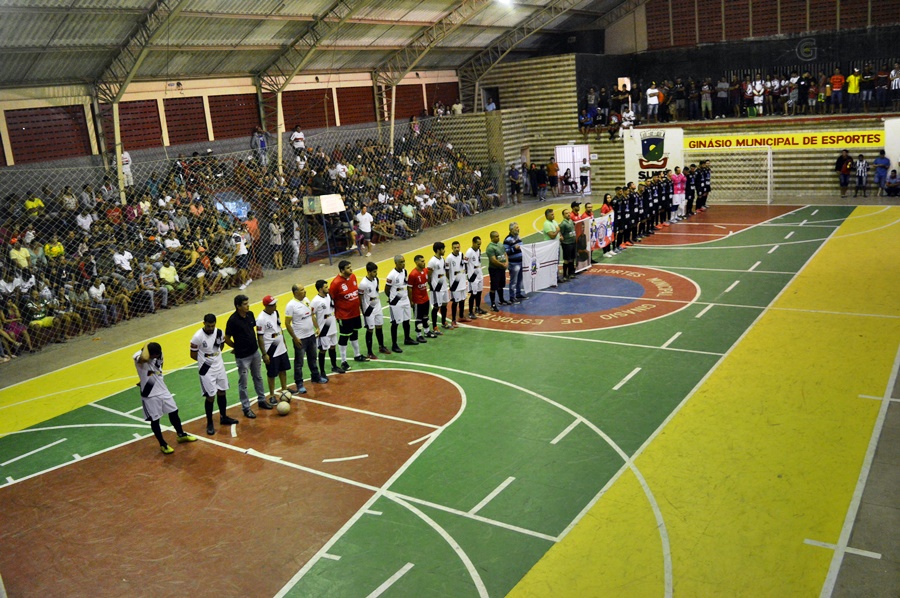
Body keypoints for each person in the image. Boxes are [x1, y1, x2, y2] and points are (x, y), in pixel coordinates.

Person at [133, 342, 197, 454]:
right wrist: (147, 345)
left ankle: (181, 435)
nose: (156, 357)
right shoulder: (138, 355)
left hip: (162, 389)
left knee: (174, 412)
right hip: (149, 393)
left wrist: (151, 376)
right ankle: (163, 444)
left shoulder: (158, 354)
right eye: (154, 356)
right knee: (155, 420)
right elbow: (143, 358)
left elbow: (159, 367)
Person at [191, 314, 239, 435]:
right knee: (210, 396)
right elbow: (193, 355)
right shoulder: (197, 337)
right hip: (206, 370)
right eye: (208, 326)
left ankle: (223, 417)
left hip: (220, 367)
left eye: (213, 325)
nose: (211, 328)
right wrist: (205, 361)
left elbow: (220, 346)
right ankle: (210, 422)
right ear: (204, 323)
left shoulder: (219, 333)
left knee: (222, 391)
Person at [223, 294, 266, 417]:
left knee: (258, 377)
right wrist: (235, 347)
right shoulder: (232, 321)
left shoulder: (250, 315)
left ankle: (261, 400)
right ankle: (246, 407)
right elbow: (226, 338)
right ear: (238, 306)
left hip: (254, 352)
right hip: (243, 357)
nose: (248, 306)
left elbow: (251, 331)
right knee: (244, 383)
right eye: (245, 304)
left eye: (248, 303)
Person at [285, 284, 327, 393]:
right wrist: (295, 337)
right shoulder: (291, 306)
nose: (305, 291)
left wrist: (317, 327)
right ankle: (299, 383)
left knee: (313, 358)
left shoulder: (306, 300)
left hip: (311, 335)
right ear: (295, 293)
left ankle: (315, 376)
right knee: (299, 363)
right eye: (302, 290)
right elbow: (287, 323)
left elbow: (311, 315)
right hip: (301, 338)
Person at [329, 260, 368, 371]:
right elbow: (331, 298)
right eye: (348, 268)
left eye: (351, 267)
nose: (351, 269)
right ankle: (343, 361)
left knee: (354, 333)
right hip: (344, 315)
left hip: (355, 313)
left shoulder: (353, 277)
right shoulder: (336, 283)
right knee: (344, 337)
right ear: (341, 270)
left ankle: (357, 354)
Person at [256, 294, 295, 401]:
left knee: (283, 370)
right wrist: (264, 354)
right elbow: (259, 337)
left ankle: (284, 389)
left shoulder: (275, 313)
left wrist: (284, 342)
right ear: (267, 306)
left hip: (281, 346)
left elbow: (279, 328)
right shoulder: (260, 319)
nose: (275, 306)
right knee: (272, 373)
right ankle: (272, 395)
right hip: (271, 349)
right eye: (273, 305)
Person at [311, 279, 344, 374]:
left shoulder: (329, 296)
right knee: (323, 350)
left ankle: (334, 366)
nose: (328, 288)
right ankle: (322, 371)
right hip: (324, 329)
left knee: (333, 346)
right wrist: (317, 327)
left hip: (332, 326)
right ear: (320, 289)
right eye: (325, 287)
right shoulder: (315, 301)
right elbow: (311, 315)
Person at [358, 261, 391, 358]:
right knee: (370, 330)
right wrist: (363, 311)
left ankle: (381, 347)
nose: (375, 274)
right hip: (369, 310)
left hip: (377, 307)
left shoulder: (376, 279)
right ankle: (369, 352)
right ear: (368, 272)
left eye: (376, 271)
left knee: (379, 327)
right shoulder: (363, 284)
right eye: (373, 272)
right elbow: (360, 297)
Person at [384, 255, 414, 351]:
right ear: (396, 263)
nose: (403, 264)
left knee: (407, 320)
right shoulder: (392, 275)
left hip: (405, 299)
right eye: (401, 262)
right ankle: (394, 344)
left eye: (404, 262)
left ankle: (407, 338)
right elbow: (386, 290)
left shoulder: (405, 271)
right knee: (395, 323)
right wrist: (392, 298)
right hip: (396, 301)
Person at [407, 254, 433, 342]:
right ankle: (419, 335)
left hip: (425, 298)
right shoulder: (413, 274)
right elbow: (409, 288)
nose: (424, 263)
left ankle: (427, 331)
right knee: (418, 318)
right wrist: (411, 300)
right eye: (422, 261)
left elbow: (428, 278)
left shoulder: (425, 271)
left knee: (426, 316)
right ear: (416, 262)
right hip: (417, 300)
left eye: (424, 261)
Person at [445, 241, 469, 327]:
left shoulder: (462, 255)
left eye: (458, 247)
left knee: (462, 300)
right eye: (454, 248)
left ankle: (461, 316)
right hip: (455, 284)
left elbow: (464, 265)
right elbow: (447, 271)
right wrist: (451, 280)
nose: (456, 249)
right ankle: (453, 320)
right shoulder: (449, 258)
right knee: (455, 302)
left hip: (462, 282)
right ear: (452, 248)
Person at [464, 236, 486, 319]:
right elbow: (465, 262)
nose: (479, 246)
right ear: (473, 243)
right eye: (477, 244)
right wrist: (468, 274)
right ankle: (470, 312)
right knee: (473, 294)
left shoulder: (479, 250)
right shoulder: (469, 252)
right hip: (473, 276)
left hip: (479, 273)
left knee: (479, 292)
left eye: (480, 244)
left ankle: (478, 308)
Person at [485, 230, 508, 310]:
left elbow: (505, 254)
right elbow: (493, 260)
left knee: (501, 285)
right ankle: (493, 304)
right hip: (494, 269)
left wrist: (506, 262)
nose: (498, 237)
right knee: (494, 286)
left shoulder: (500, 244)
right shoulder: (490, 248)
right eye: (496, 236)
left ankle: (501, 300)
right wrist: (502, 264)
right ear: (492, 238)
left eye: (498, 236)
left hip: (501, 268)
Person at [504, 222, 525, 303]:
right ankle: (512, 297)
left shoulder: (518, 237)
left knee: (520, 280)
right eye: (516, 228)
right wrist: (514, 249)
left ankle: (518, 294)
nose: (518, 229)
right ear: (511, 229)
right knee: (514, 281)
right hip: (514, 264)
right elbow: (505, 252)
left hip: (520, 262)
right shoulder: (507, 240)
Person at [559, 208, 577, 282]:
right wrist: (561, 237)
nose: (568, 214)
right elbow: (561, 233)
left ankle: (571, 273)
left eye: (569, 213)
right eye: (566, 213)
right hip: (567, 243)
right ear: (563, 215)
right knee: (567, 260)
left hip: (573, 242)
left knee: (572, 258)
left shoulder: (571, 221)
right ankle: (565, 275)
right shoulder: (563, 224)